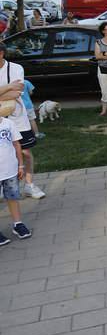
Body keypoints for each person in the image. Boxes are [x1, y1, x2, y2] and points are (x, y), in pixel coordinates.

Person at [0, 43, 43, 199]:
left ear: (1, 54)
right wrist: (8, 87)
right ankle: (4, 186)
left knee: (25, 152)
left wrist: (10, 89)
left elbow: (17, 93)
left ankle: (29, 185)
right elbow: (11, 91)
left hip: (17, 118)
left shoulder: (16, 68)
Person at [0, 101, 31, 246]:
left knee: (12, 197)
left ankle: (17, 224)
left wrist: (20, 165)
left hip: (10, 170)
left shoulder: (8, 123)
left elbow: (16, 144)